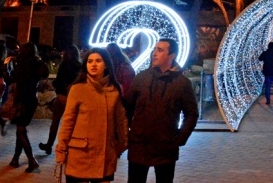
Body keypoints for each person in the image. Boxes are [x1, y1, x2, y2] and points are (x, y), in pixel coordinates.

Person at [125, 38, 198, 183]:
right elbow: (127, 108)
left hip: (166, 146)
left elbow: (191, 114)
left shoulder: (182, 83)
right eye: (154, 49)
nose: (154, 53)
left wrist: (179, 138)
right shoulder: (141, 78)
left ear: (171, 56)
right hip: (139, 145)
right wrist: (127, 134)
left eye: (160, 50)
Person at [55, 47, 128, 182]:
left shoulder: (114, 91)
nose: (93, 64)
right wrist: (61, 150)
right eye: (90, 61)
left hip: (105, 156)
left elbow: (121, 120)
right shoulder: (77, 89)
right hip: (80, 155)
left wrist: (121, 145)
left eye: (98, 61)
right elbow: (67, 122)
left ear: (106, 64)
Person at [8, 42, 49, 172]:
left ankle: (31, 160)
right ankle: (15, 158)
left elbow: (14, 80)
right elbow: (45, 75)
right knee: (21, 130)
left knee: (20, 131)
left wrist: (6, 67)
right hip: (32, 99)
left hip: (22, 100)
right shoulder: (38, 64)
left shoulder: (22, 64)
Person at [38, 44, 82, 155]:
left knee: (55, 121)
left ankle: (49, 144)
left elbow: (58, 81)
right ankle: (71, 146)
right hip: (75, 97)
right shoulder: (80, 66)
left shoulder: (64, 65)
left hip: (62, 96)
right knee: (72, 123)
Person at [258, 41, 273, 105]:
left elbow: (260, 58)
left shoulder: (265, 53)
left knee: (267, 87)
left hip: (267, 72)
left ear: (268, 46)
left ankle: (268, 101)